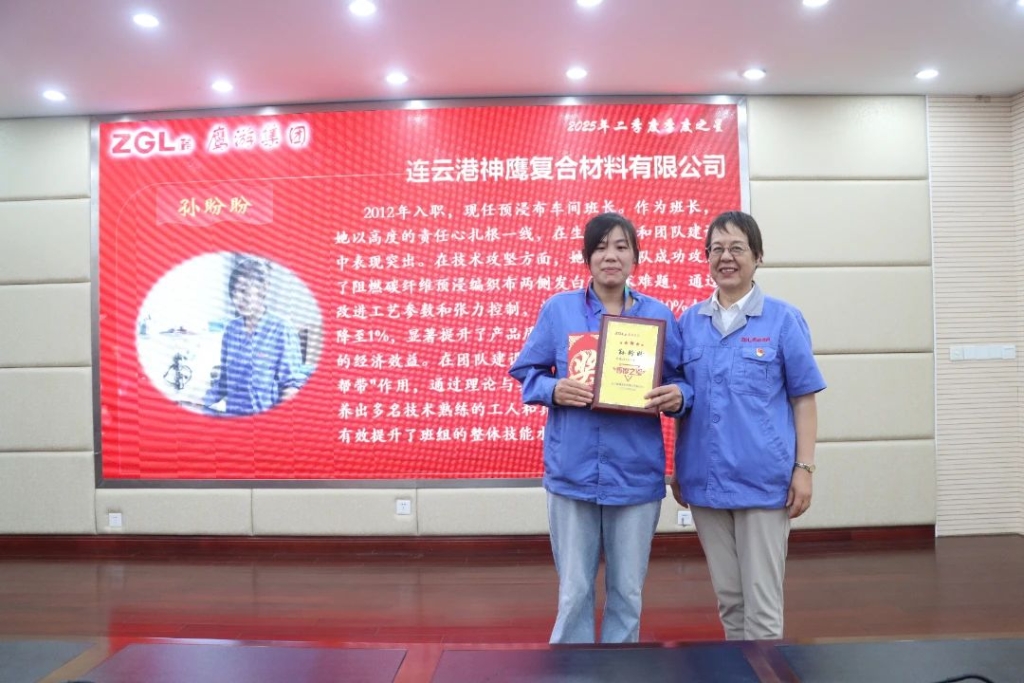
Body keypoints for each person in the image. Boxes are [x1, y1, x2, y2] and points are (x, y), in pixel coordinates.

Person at [509, 212, 693, 644]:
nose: (611, 255)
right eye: (601, 247)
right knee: (574, 593)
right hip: (572, 473)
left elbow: (684, 381)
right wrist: (554, 389)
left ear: (635, 258)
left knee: (627, 594)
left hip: (635, 474)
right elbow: (527, 372)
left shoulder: (658, 315)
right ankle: (571, 671)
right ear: (587, 257)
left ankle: (620, 670)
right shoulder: (559, 310)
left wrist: (679, 396)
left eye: (621, 247)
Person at [671, 210, 826, 641]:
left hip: (762, 482)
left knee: (762, 605)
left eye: (737, 248)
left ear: (758, 256)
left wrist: (804, 469)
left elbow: (804, 399)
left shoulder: (783, 320)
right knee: (730, 600)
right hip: (705, 481)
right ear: (706, 257)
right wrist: (680, 467)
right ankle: (739, 670)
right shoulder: (689, 323)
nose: (727, 257)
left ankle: (764, 670)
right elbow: (685, 401)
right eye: (717, 249)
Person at [203, 258, 306, 416]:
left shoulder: (281, 329)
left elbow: (291, 385)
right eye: (235, 292)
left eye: (245, 291)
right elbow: (224, 381)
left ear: (262, 291)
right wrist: (202, 402)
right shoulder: (231, 330)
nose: (239, 299)